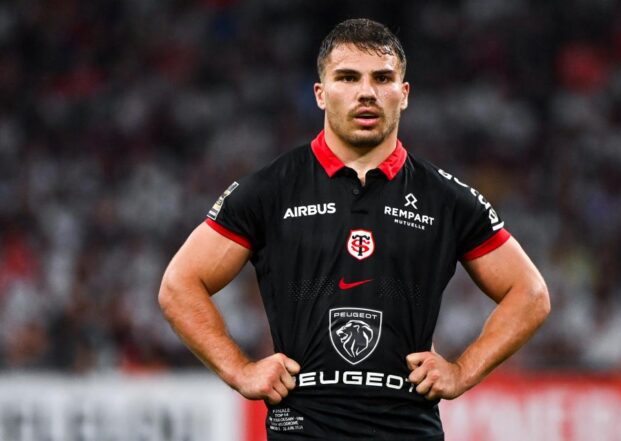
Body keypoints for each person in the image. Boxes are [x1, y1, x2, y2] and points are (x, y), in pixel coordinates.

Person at [158, 18, 550, 441]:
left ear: (404, 94)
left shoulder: (445, 199)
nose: (366, 92)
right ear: (320, 94)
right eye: (348, 78)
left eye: (382, 78)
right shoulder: (271, 190)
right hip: (303, 430)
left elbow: (530, 294)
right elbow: (179, 285)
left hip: (407, 430)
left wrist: (462, 371)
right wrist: (239, 370)